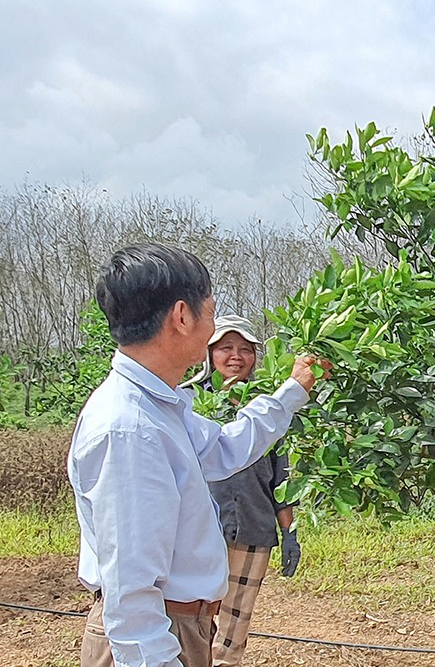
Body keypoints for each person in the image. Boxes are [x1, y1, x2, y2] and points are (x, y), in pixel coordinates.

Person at [68, 244, 331, 667]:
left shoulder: (161, 405)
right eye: (210, 312)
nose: (213, 328)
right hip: (156, 635)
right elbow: (132, 592)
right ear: (182, 316)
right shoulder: (130, 429)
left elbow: (225, 447)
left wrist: (294, 390)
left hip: (180, 626)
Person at [180, 315, 302, 667]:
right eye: (226, 348)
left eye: (245, 349)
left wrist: (289, 531)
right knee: (192, 616)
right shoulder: (186, 400)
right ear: (209, 353)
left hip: (253, 524)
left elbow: (282, 477)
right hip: (198, 530)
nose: (236, 356)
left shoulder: (270, 407)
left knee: (236, 621)